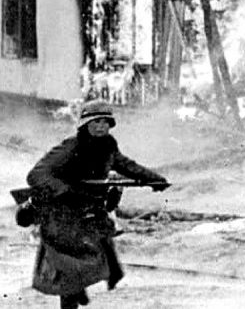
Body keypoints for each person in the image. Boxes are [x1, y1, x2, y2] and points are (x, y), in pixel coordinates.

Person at [26, 100, 169, 309]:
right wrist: (64, 190)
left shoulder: (108, 146)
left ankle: (78, 292)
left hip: (87, 213)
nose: (101, 126)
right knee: (70, 269)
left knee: (99, 258)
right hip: (62, 215)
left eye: (105, 122)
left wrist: (152, 179)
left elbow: (125, 165)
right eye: (96, 122)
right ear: (85, 124)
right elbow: (36, 174)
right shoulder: (71, 146)